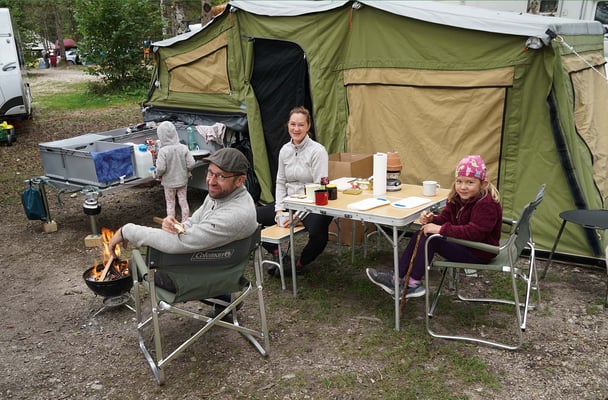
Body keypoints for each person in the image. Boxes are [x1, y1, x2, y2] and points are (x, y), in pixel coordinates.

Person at [108, 147, 257, 316]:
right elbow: (193, 224)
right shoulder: (223, 195)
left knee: (137, 263)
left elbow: (179, 243)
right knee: (149, 259)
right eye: (210, 172)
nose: (211, 181)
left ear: (240, 180)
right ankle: (226, 301)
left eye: (221, 176)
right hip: (216, 266)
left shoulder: (235, 214)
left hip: (207, 276)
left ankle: (225, 299)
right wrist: (177, 227)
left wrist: (127, 230)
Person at [366, 155, 503, 299]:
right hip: (464, 244)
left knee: (432, 239)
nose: (463, 187)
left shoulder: (486, 203)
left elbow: (475, 233)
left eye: (470, 182)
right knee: (422, 232)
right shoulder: (457, 197)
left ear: (483, 183)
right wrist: (433, 219)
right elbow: (446, 218)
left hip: (479, 251)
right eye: (459, 181)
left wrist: (440, 229)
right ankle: (396, 278)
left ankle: (413, 284)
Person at [256, 106, 333, 276]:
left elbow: (319, 186)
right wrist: (279, 210)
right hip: (289, 203)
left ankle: (299, 264)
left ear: (308, 126)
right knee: (251, 217)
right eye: (293, 124)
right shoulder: (285, 150)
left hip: (313, 205)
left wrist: (299, 215)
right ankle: (279, 255)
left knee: (318, 234)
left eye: (301, 125)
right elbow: (280, 182)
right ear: (288, 125)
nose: (296, 129)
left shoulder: (318, 151)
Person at [155, 121, 196, 223]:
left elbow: (161, 168)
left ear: (161, 136)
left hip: (169, 183)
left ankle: (171, 223)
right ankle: (185, 222)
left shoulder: (163, 151)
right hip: (182, 180)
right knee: (183, 201)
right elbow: (191, 163)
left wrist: (158, 174)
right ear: (175, 133)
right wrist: (186, 171)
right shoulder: (183, 148)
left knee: (170, 203)